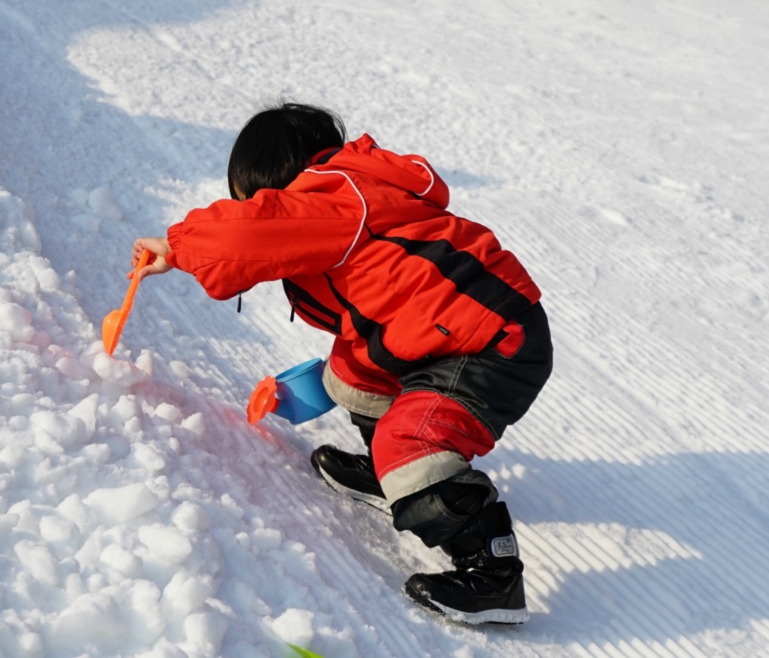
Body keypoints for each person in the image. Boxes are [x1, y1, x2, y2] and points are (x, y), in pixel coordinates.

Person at [130, 103, 553, 624]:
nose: (253, 207)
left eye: (254, 197)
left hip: (493, 342)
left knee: (411, 439)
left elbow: (247, 235)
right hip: (442, 333)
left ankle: (493, 573)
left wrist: (177, 246)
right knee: (353, 371)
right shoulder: (343, 201)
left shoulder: (333, 197)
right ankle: (390, 475)